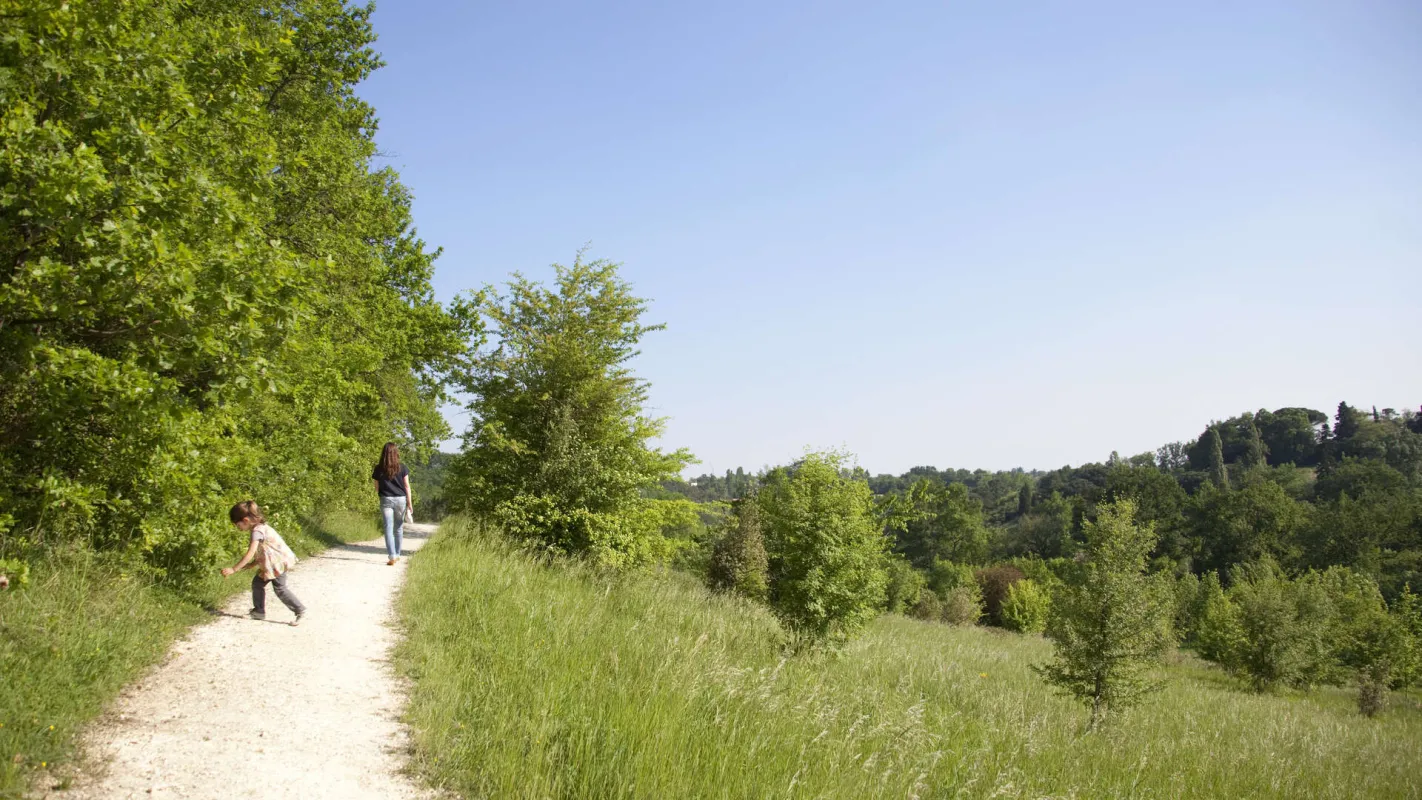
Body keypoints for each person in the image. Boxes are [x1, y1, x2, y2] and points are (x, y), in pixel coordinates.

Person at [221, 500, 305, 626]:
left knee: (280, 589)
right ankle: (259, 611)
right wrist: (254, 564)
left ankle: (299, 609)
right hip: (270, 564)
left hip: (277, 564)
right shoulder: (259, 527)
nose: (238, 528)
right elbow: (264, 551)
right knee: (257, 583)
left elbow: (251, 552)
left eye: (238, 525)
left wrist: (234, 569)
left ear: (245, 520)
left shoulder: (257, 531)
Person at [373, 442, 413, 566]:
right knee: (399, 528)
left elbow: (376, 487)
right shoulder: (402, 467)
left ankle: (392, 556)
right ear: (396, 453)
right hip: (401, 499)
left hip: (386, 499)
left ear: (384, 453)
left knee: (388, 528)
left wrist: (384, 491)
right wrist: (410, 504)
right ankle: (398, 554)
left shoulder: (378, 468)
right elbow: (407, 486)